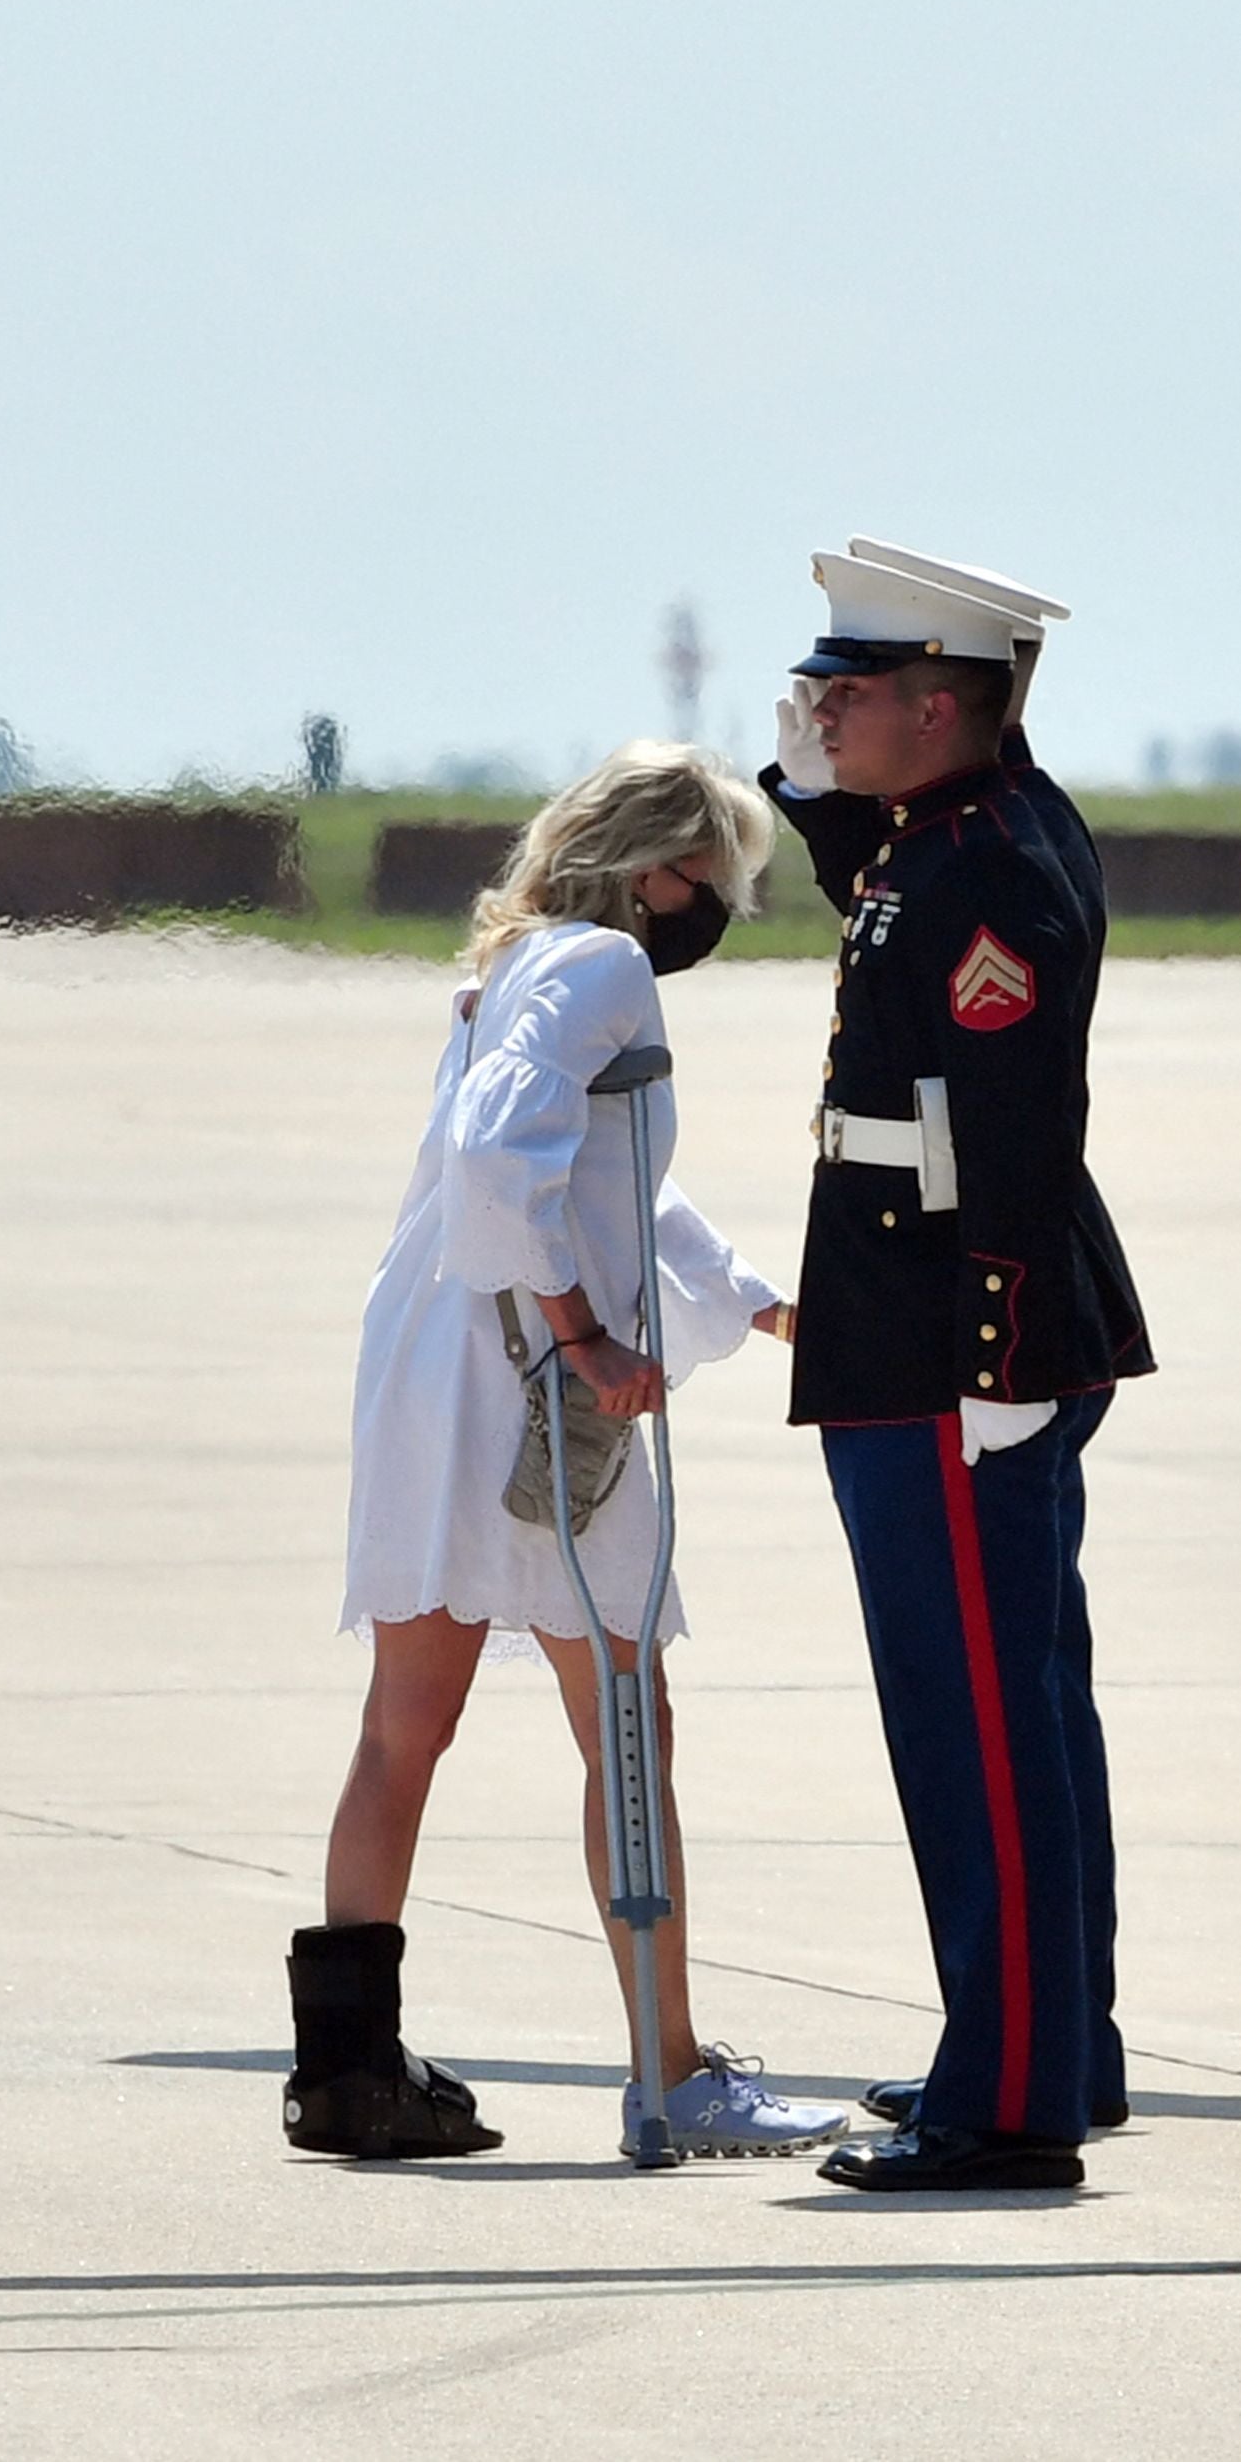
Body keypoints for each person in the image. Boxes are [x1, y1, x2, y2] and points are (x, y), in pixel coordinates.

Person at [291, 743, 856, 2163]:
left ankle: (347, 2072)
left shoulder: (515, 964)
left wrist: (762, 1301)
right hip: (526, 1379)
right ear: (654, 863)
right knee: (625, 1716)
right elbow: (503, 1162)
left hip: (424, 1362)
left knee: (401, 1724)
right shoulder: (606, 964)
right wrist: (590, 1336)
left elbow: (616, 1186)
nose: (723, 902)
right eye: (719, 875)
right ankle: (670, 2075)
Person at [761, 540, 1151, 2193]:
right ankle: (1051, 2040)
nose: (822, 708)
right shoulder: (969, 830)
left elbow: (1006, 1127)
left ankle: (1005, 2102)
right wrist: (807, 782)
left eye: (851, 692)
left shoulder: (989, 867)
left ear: (943, 703)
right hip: (932, 1330)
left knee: (978, 1720)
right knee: (1026, 1704)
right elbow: (885, 893)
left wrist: (994, 1359)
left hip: (949, 1341)